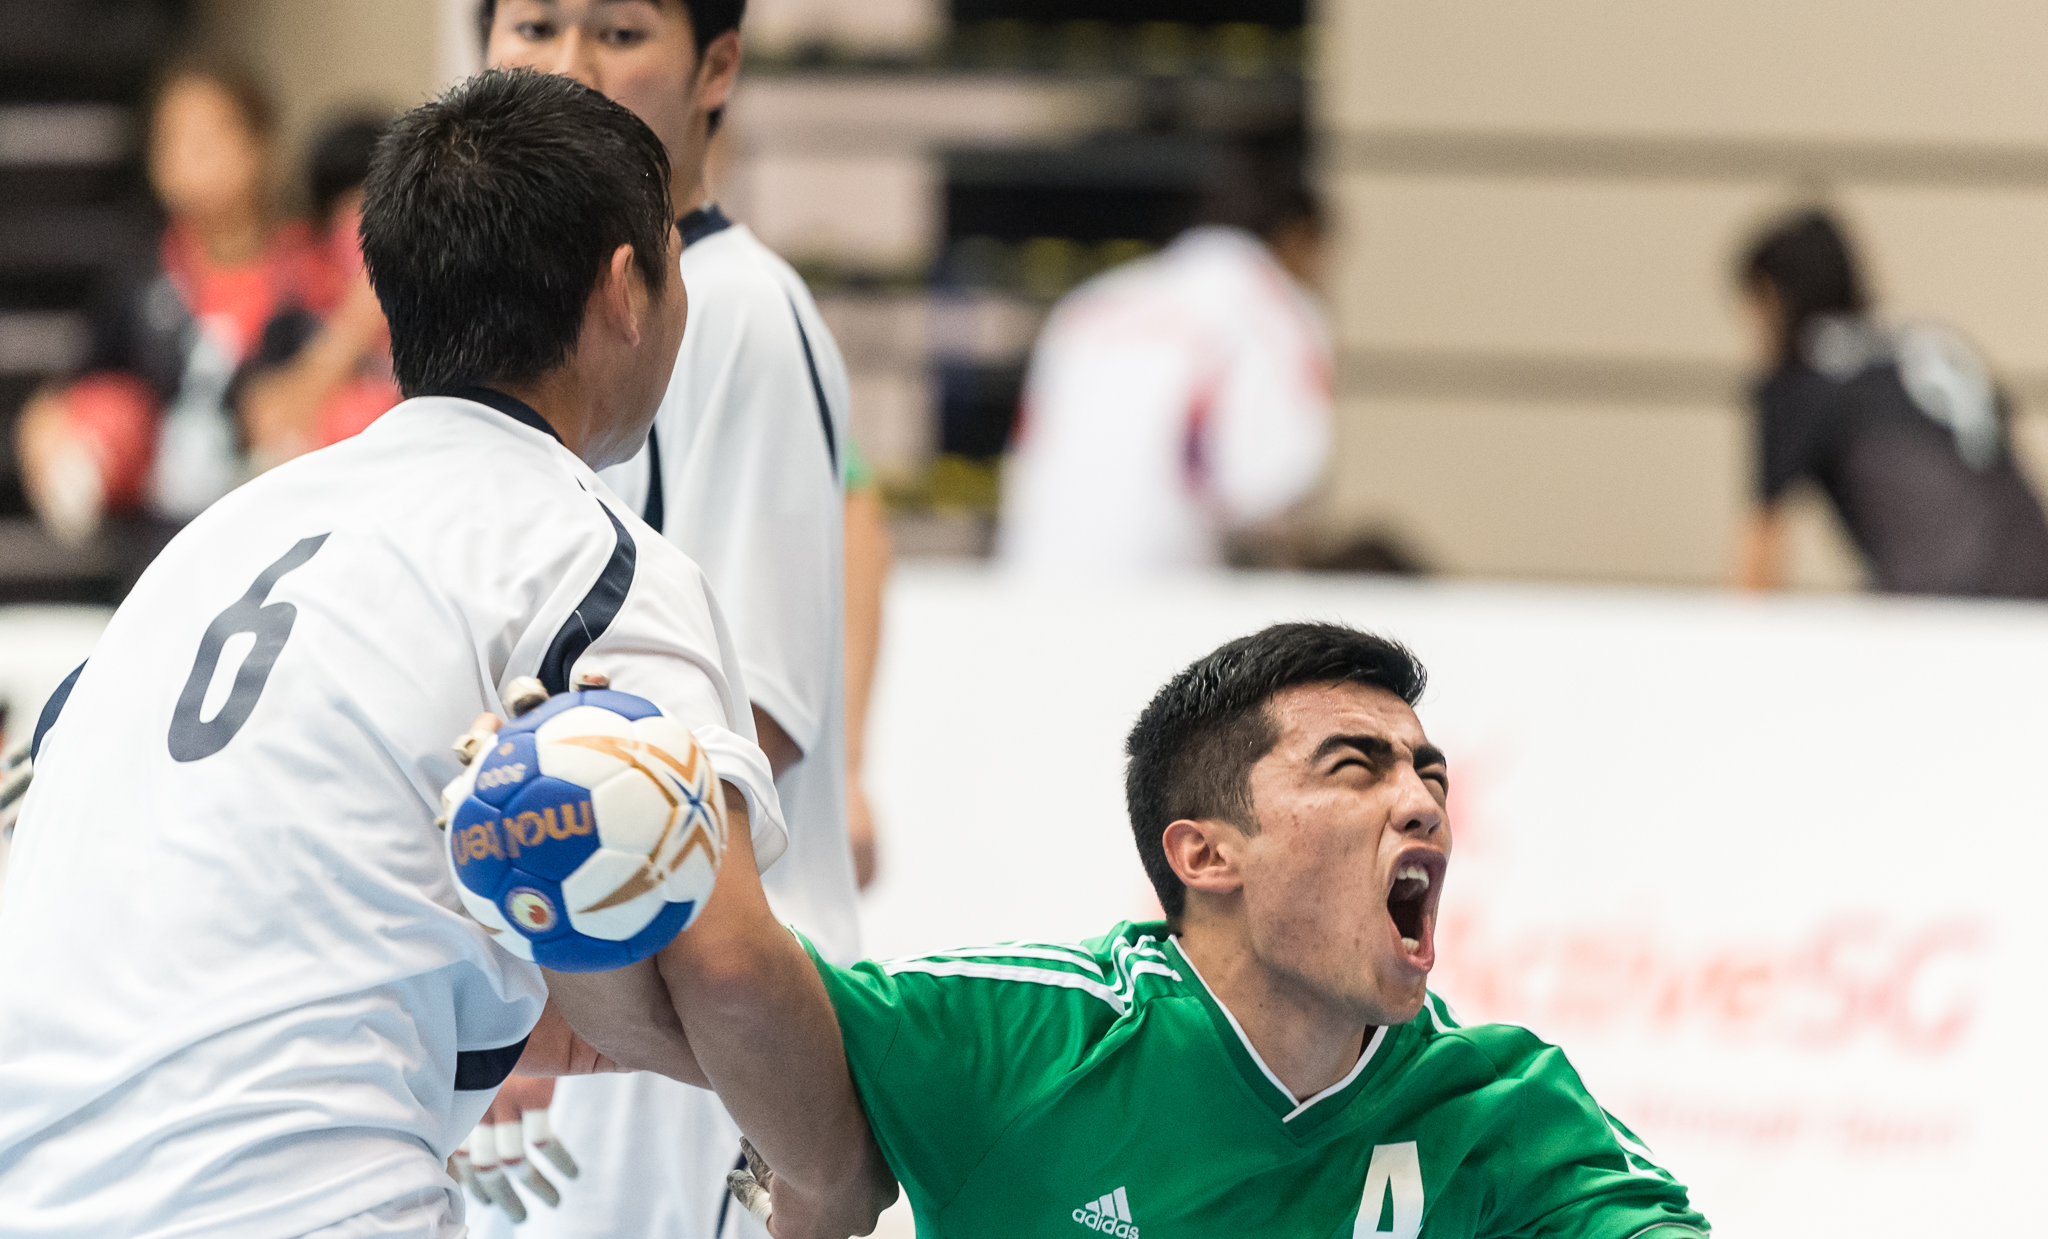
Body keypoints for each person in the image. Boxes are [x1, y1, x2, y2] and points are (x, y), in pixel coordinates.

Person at [0, 69, 886, 1239]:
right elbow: (720, 962)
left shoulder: (216, 540)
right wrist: (835, 1170)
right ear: (629, 289)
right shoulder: (583, 559)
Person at [709, 623, 1710, 1237]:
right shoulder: (1025, 1037)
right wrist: (787, 1175)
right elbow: (723, 988)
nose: (1422, 804)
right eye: (1355, 769)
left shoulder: (1497, 1103)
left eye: (1428, 773)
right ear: (1204, 855)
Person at [472, 3, 872, 1234]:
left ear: (718, 68)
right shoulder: (504, 329)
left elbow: (752, 724)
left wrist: (530, 953)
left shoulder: (739, 312)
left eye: (620, 31)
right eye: (532, 25)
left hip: (685, 1003)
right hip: (566, 972)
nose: (569, 68)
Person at [12, 56, 338, 546]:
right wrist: (47, 430)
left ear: (260, 144)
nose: (190, 156)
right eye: (171, 140)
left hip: (272, 519)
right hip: (154, 525)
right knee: (105, 412)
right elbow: (75, 386)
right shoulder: (141, 276)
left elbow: (316, 391)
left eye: (209, 135)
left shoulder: (307, 272)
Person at [997, 139, 1333, 573]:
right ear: (1298, 236)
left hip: (1032, 582)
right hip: (1167, 597)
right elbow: (1268, 488)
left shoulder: (1093, 305)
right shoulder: (1275, 309)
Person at [1734, 208, 2048, 597]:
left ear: (1774, 298)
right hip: (2036, 588)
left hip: (1938, 612)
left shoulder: (1801, 379)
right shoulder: (1932, 345)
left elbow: (1759, 560)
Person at [231, 114, 403, 471]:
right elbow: (262, 422)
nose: (363, 239)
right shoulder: (294, 317)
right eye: (347, 221)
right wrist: (352, 328)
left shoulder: (445, 316)